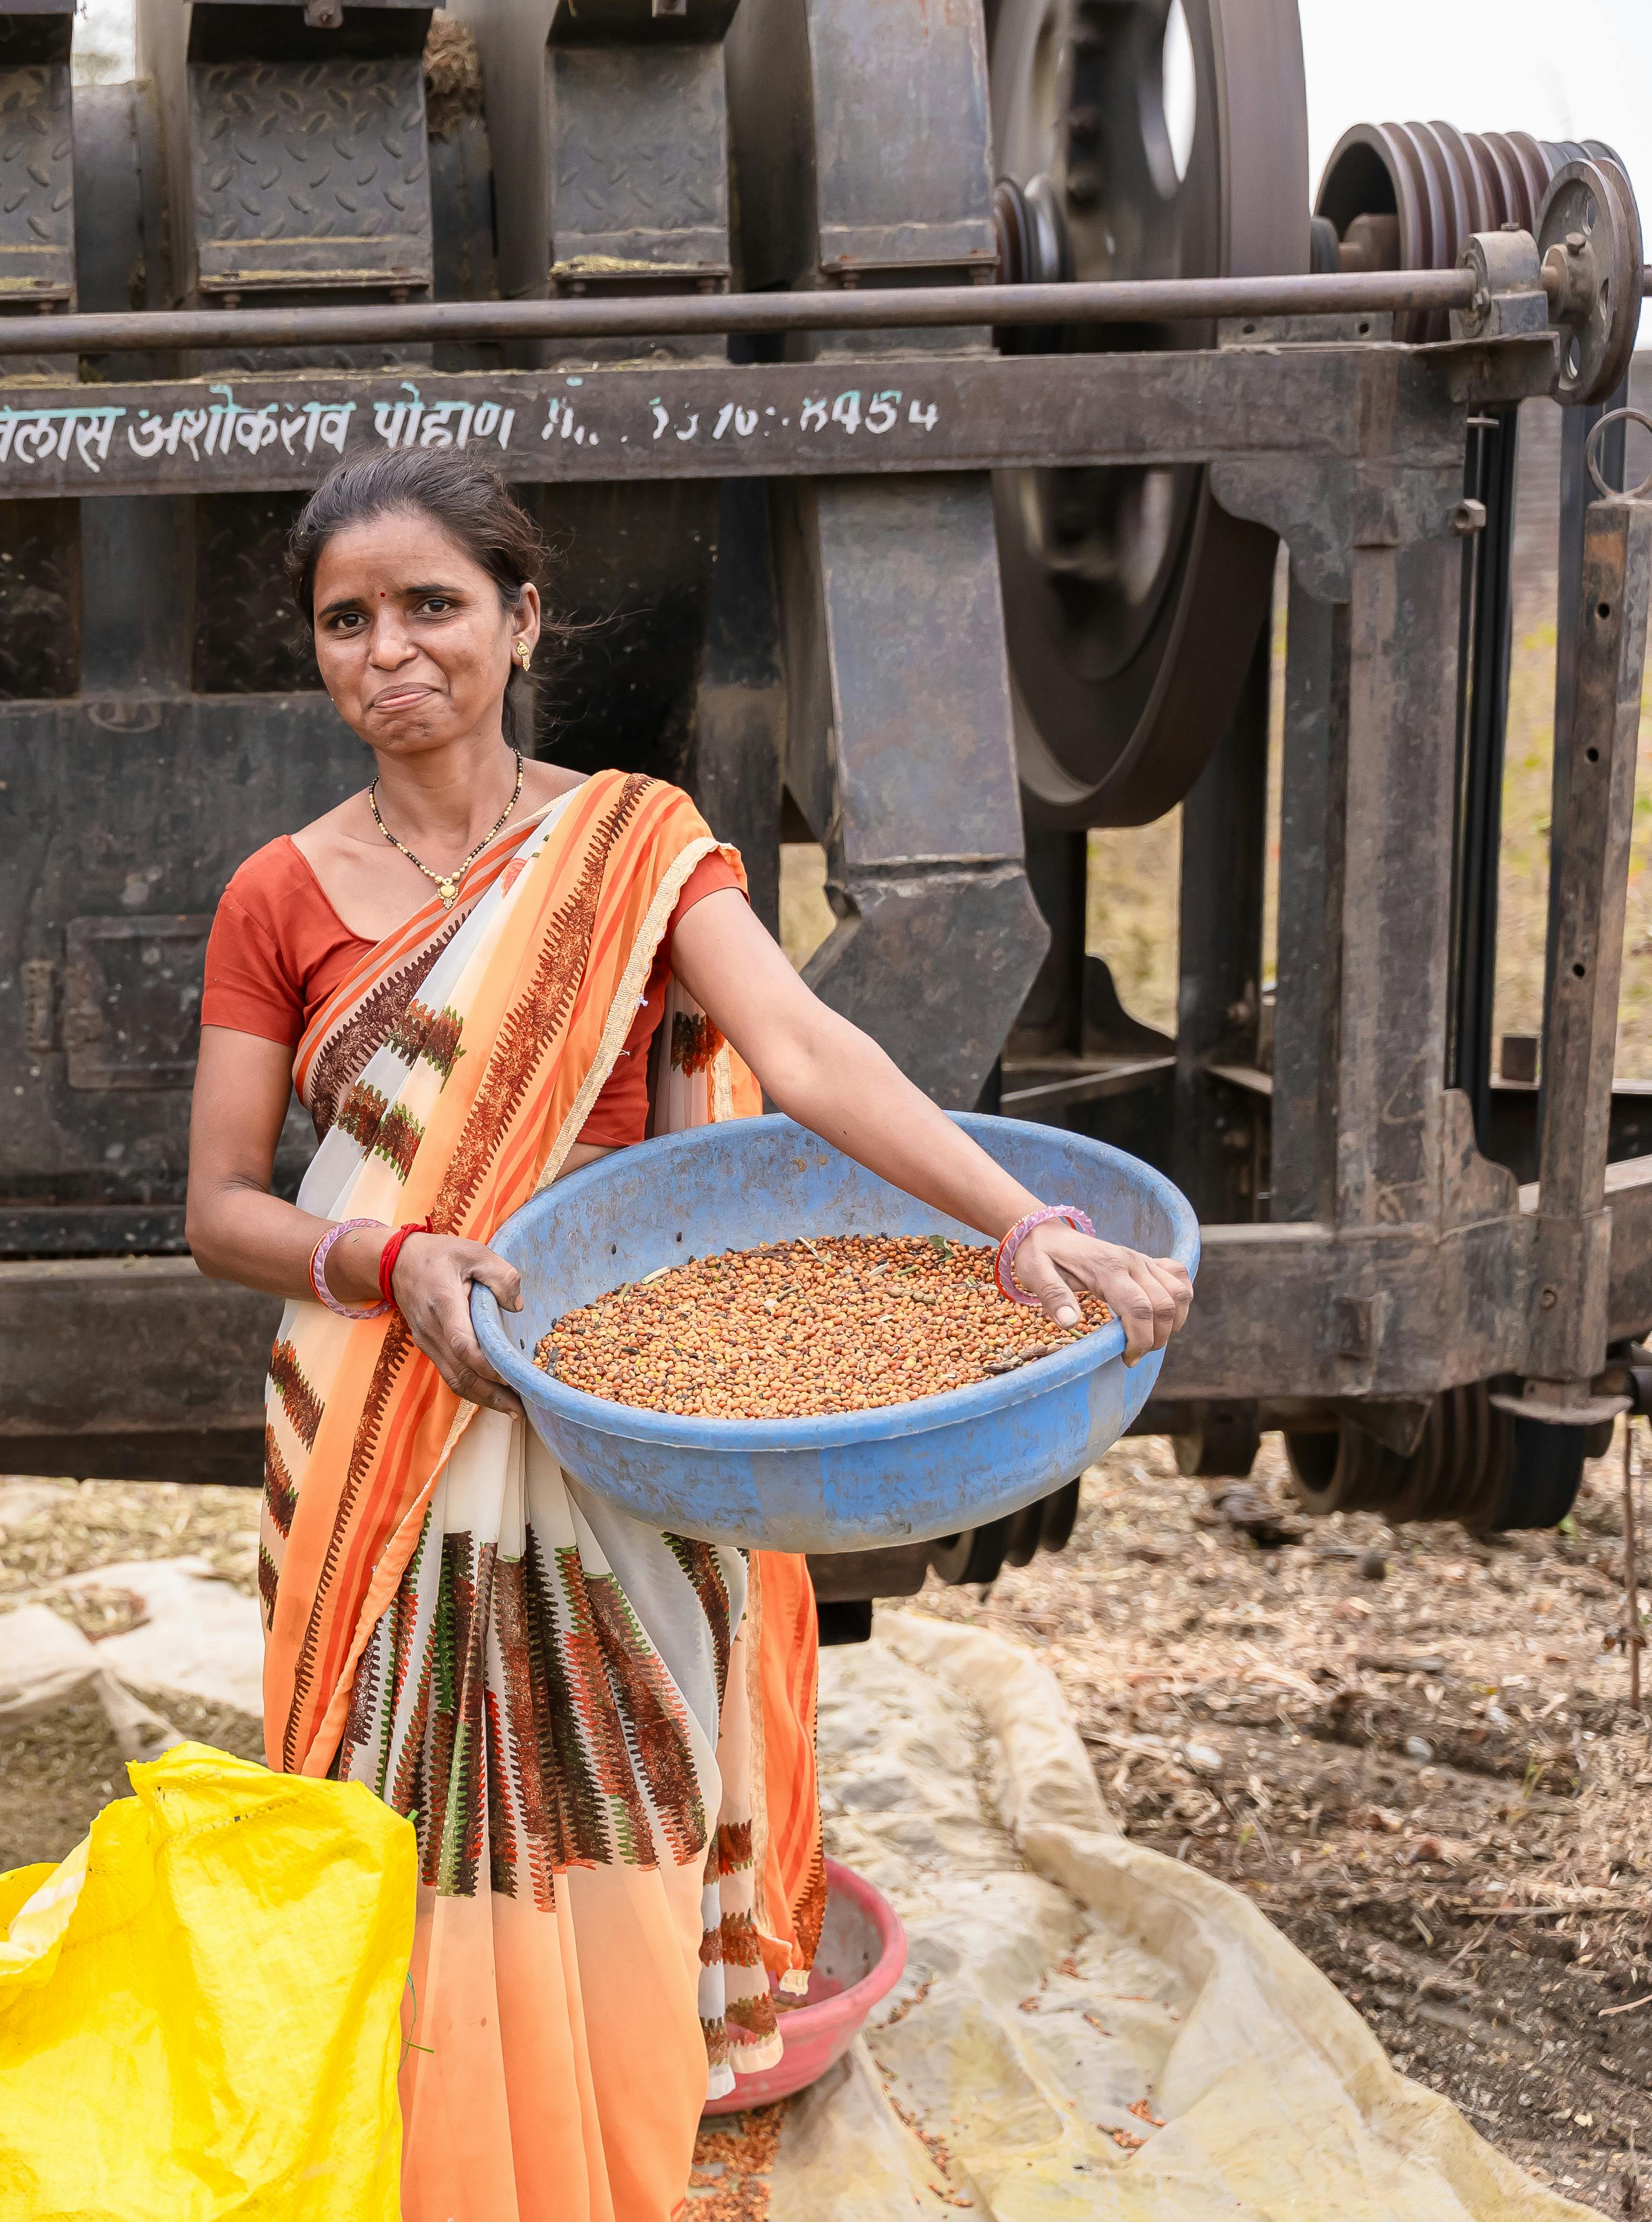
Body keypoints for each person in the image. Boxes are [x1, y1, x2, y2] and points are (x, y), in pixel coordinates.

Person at [184, 446, 1192, 2222]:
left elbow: (808, 1060)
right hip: (379, 1419)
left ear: (522, 617)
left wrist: (1025, 1225)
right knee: (402, 1816)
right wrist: (391, 1257)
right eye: (348, 620)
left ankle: (601, 2162)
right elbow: (223, 1211)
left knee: (620, 1798)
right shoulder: (278, 896)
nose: (390, 651)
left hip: (611, 1408)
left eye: (433, 605)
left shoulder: (630, 848)